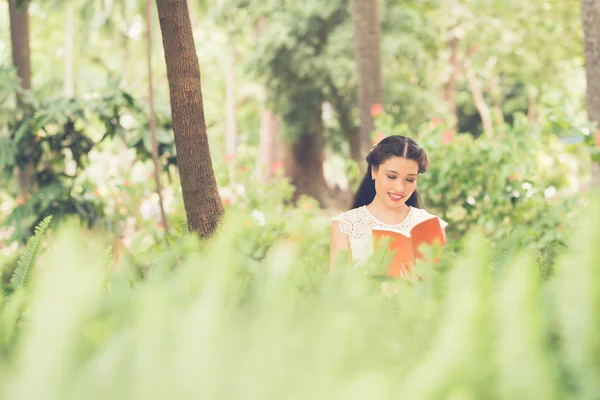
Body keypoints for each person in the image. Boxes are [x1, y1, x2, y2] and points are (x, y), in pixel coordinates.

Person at [329, 135, 447, 272]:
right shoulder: (346, 225)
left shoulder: (431, 224)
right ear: (374, 170)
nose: (400, 188)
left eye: (409, 180)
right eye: (391, 177)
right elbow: (336, 288)